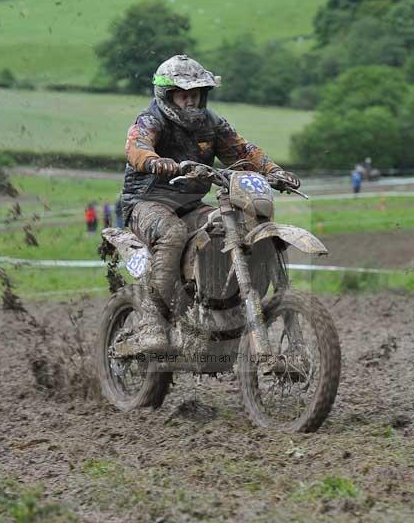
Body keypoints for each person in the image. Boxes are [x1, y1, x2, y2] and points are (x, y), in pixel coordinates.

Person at [121, 53, 301, 354]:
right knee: (173, 234)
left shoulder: (212, 124)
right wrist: (155, 162)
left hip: (191, 204)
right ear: (167, 95)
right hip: (146, 203)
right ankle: (152, 318)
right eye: (183, 95)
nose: (190, 101)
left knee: (227, 227)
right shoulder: (151, 120)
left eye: (196, 94)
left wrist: (274, 171)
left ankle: (216, 307)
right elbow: (137, 145)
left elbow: (243, 150)